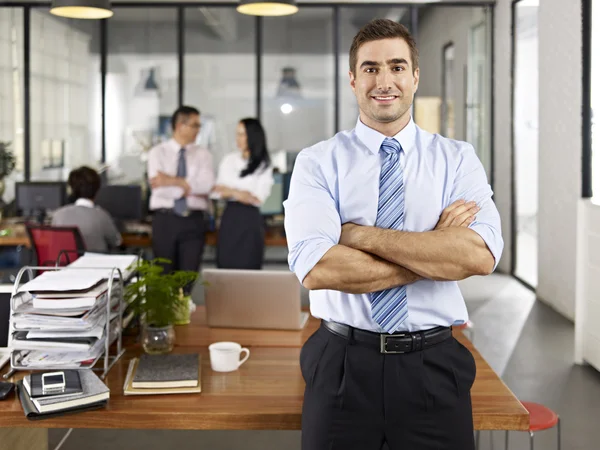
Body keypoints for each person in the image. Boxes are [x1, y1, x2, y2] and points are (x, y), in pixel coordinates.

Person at [284, 19, 503, 450]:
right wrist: (434, 250)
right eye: (370, 69)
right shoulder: (317, 163)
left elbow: (477, 256)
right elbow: (317, 268)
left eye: (397, 67)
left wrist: (359, 237)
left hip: (434, 365)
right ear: (352, 79)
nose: (384, 81)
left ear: (415, 76)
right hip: (342, 363)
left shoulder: (457, 160)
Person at [147, 106, 215, 276]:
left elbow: (207, 186)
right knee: (164, 276)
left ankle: (184, 303)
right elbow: (160, 189)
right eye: (195, 125)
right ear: (180, 126)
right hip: (165, 220)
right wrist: (189, 186)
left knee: (188, 276)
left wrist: (172, 181)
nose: (198, 130)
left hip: (194, 220)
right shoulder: (157, 153)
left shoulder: (204, 155)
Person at [212, 118, 273, 269]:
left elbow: (257, 199)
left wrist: (231, 190)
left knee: (249, 266)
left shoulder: (264, 164)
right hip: (229, 218)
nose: (237, 139)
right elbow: (217, 191)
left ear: (252, 136)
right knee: (225, 266)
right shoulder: (229, 160)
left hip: (250, 221)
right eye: (237, 134)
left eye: (242, 134)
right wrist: (241, 193)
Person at [52, 166, 121, 253]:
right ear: (97, 189)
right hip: (95, 265)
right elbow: (117, 242)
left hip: (66, 265)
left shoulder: (58, 215)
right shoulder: (101, 215)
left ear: (72, 189)